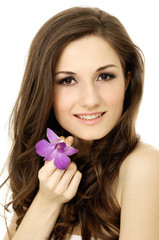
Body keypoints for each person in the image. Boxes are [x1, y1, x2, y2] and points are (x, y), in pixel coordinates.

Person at [1, 6, 159, 240]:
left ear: (127, 80)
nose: (90, 100)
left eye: (104, 76)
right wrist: (47, 201)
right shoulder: (43, 168)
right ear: (44, 89)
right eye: (68, 80)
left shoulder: (143, 167)